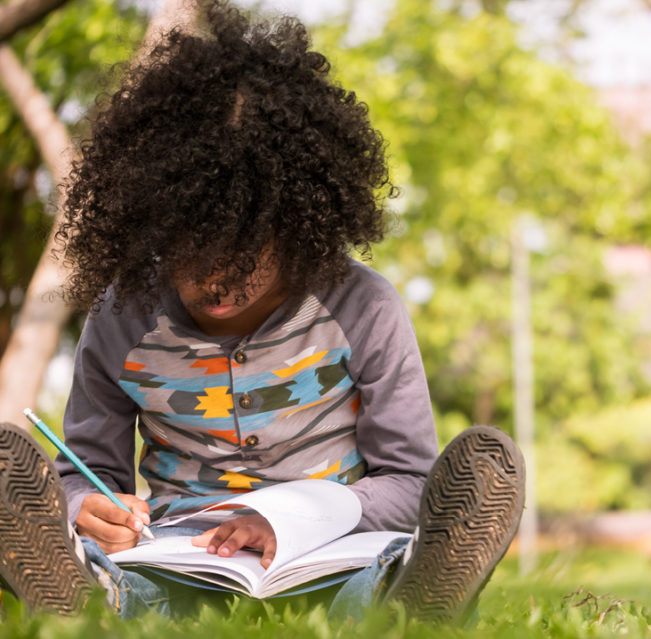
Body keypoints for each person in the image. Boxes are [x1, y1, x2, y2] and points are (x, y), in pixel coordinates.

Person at [0, 0, 523, 623]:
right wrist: (82, 506)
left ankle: (407, 597)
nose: (218, 277)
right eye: (192, 247)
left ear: (299, 225)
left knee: (365, 584)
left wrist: (287, 521)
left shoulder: (363, 308)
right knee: (140, 598)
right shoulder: (123, 317)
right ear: (151, 225)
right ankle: (90, 597)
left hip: (334, 551)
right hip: (179, 556)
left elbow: (410, 484)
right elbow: (84, 475)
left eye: (245, 248)